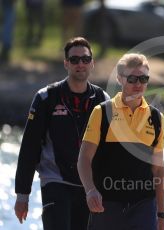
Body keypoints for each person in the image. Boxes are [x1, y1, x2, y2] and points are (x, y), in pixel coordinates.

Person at [14, 37, 109, 230]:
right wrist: (22, 195)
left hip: (89, 186)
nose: (80, 64)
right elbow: (29, 147)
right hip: (55, 182)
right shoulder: (45, 98)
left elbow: (110, 148)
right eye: (74, 60)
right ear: (66, 63)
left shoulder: (102, 99)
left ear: (92, 63)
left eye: (85, 59)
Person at [78, 53, 164, 230]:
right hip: (107, 204)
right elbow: (84, 159)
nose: (138, 84)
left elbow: (158, 170)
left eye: (143, 78)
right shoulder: (102, 112)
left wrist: (161, 215)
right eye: (132, 79)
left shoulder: (157, 118)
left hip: (144, 207)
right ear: (119, 79)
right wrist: (90, 190)